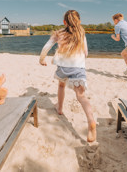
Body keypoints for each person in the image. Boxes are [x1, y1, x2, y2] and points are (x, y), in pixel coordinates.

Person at [39, 10, 96, 142]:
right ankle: (91, 121)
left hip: (63, 68)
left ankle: (59, 108)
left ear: (64, 22)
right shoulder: (81, 33)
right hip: (78, 68)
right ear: (79, 21)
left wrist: (42, 59)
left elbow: (46, 46)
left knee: (61, 85)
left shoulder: (59, 33)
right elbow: (86, 53)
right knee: (81, 96)